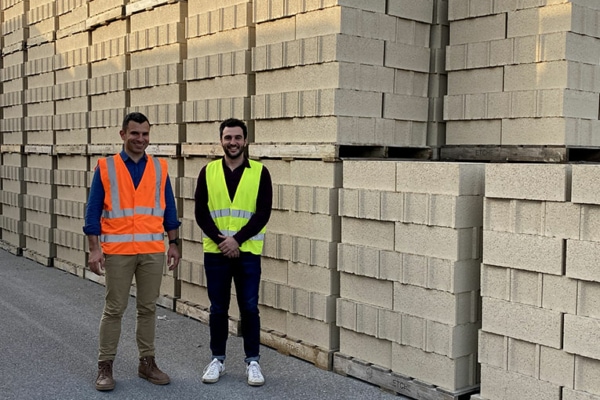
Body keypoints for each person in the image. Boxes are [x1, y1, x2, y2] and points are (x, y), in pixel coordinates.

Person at [83, 112, 181, 391]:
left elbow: (169, 208)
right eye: (135, 133)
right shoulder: (106, 167)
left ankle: (147, 363)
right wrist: (94, 249)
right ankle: (105, 366)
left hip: (152, 249)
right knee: (114, 309)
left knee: (148, 308)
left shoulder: (160, 168)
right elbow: (92, 211)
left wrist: (174, 243)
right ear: (123, 134)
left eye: (145, 134)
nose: (141, 139)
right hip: (118, 250)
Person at [194, 118, 272, 386]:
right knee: (218, 308)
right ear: (221, 141)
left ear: (246, 140)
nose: (233, 143)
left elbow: (263, 213)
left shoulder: (260, 172)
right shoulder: (208, 171)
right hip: (216, 252)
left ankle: (253, 362)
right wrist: (221, 241)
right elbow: (201, 212)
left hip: (247, 251)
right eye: (228, 138)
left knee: (249, 307)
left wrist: (236, 240)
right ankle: (218, 359)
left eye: (238, 138)